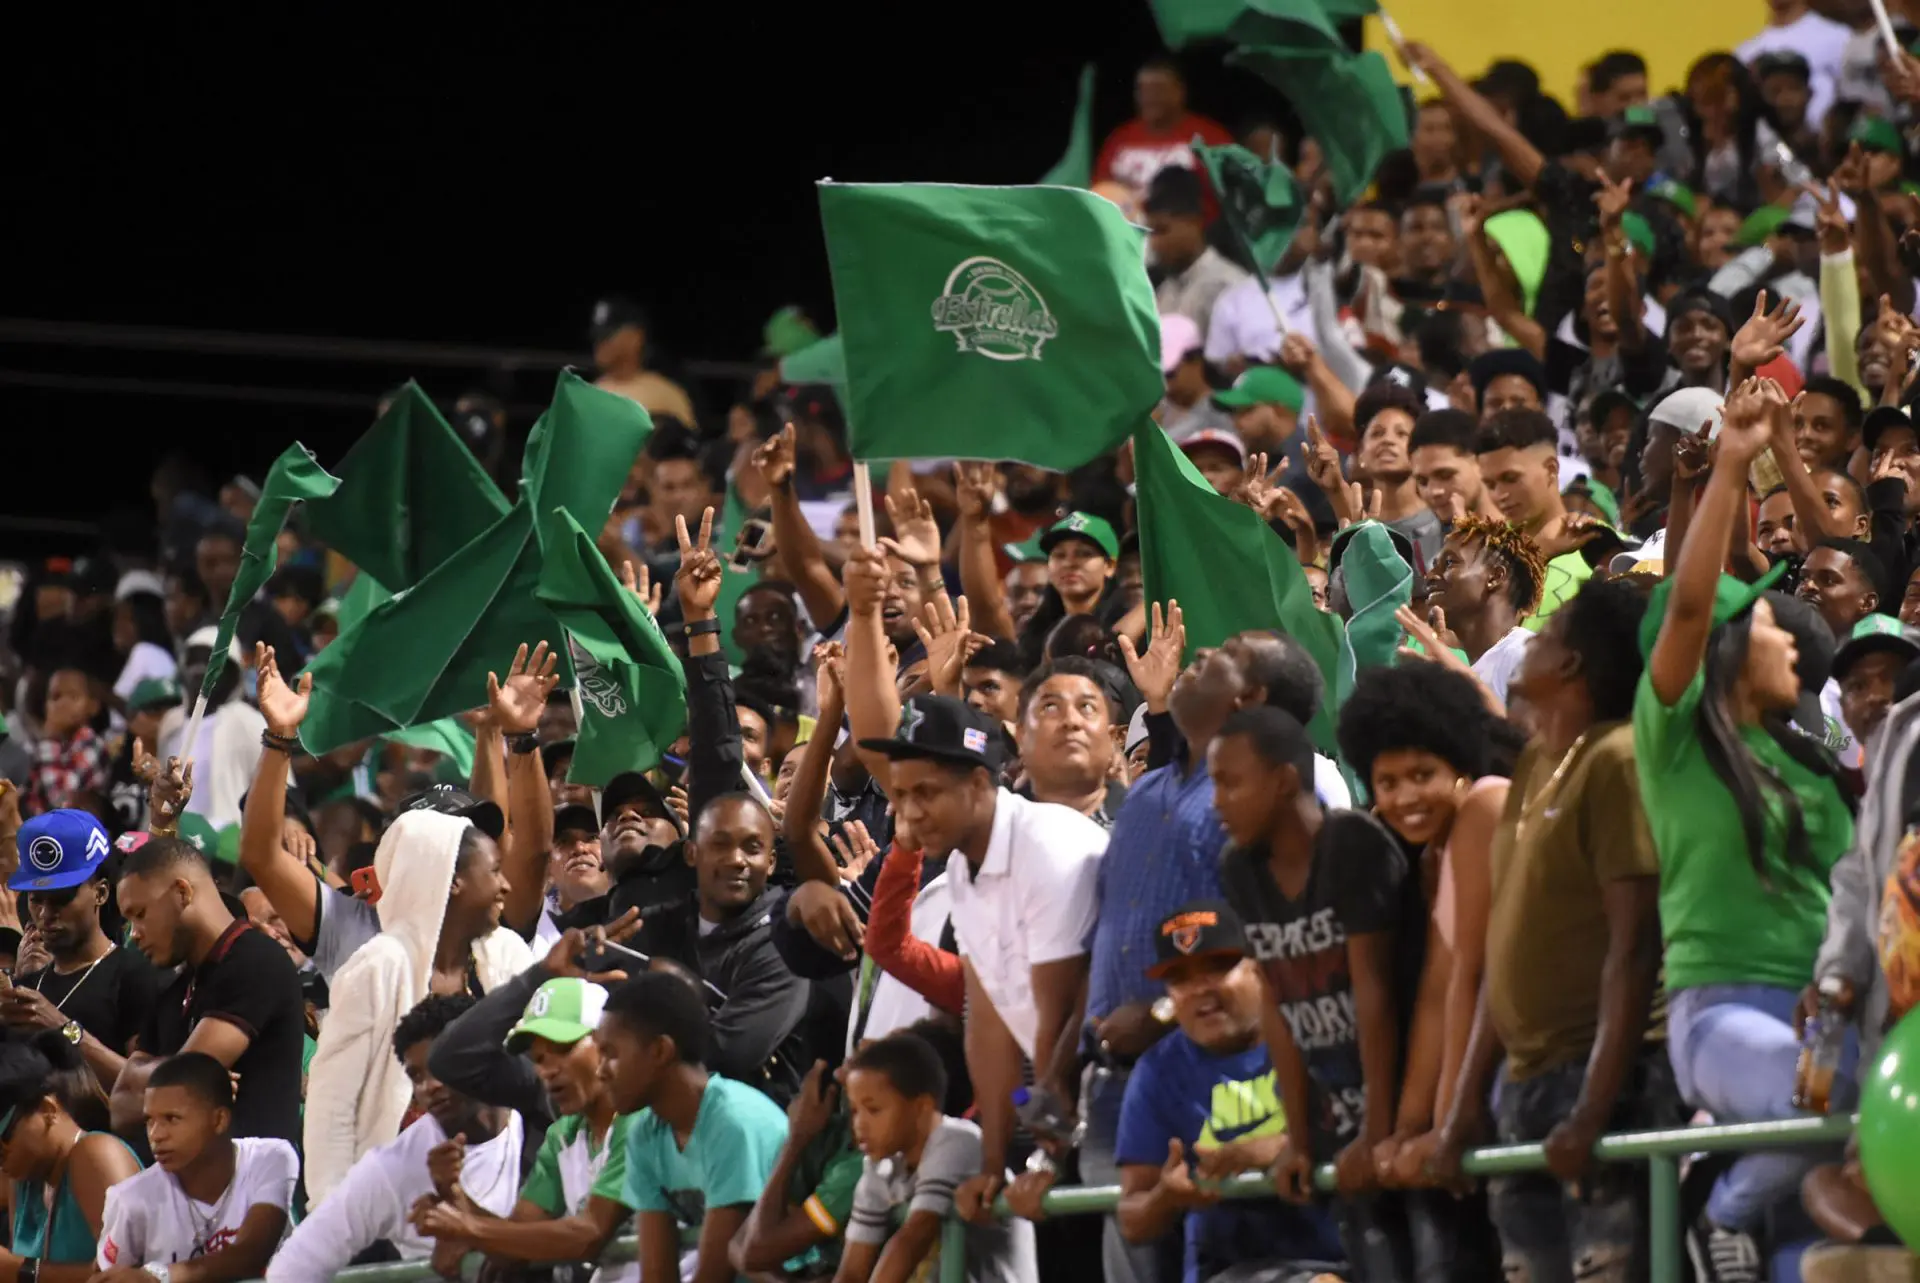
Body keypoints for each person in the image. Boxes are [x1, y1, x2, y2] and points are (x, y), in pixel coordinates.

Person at [1635, 378, 1854, 1283]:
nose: (1795, 646)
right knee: (1840, 1106)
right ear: (1730, 648)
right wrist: (1729, 462)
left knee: (1810, 1249)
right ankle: (1712, 1202)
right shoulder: (1676, 737)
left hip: (1824, 1015)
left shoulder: (1820, 767)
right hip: (1721, 1010)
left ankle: (1741, 1215)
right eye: (1773, 627)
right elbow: (1687, 605)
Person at [856, 695, 1105, 1222]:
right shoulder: (965, 872)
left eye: (926, 792)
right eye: (899, 796)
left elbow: (1059, 1018)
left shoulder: (1048, 844)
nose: (910, 812)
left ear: (976, 784)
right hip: (1056, 1101)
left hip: (1110, 1091)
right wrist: (994, 1165)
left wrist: (1044, 1157)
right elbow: (988, 1025)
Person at [1210, 705, 1414, 1281]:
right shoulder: (1239, 868)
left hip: (1404, 1121)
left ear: (1283, 781)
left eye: (1229, 782)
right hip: (1337, 1130)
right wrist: (1300, 1139)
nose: (1216, 801)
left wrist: (1377, 1132)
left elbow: (1375, 993)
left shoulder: (1351, 843)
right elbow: (1277, 1000)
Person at [303, 807, 533, 1204]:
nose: (506, 886)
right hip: (397, 1200)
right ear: (453, 879)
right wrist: (334, 1208)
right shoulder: (376, 967)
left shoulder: (507, 953)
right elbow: (333, 1106)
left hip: (504, 1183)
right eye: (494, 870)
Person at [1112, 902, 1345, 1283]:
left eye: (1219, 967)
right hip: (1230, 1270)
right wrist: (1167, 1197)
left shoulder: (1316, 1030)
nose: (1202, 988)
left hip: (1348, 1251)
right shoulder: (1157, 1071)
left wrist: (1282, 1148)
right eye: (1180, 978)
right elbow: (1132, 1218)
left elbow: (1374, 1137)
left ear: (1260, 967)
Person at [419, 948, 640, 1283]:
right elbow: (518, 1240)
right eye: (538, 1059)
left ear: (606, 1043)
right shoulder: (563, 1135)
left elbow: (589, 1235)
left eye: (564, 1049)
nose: (548, 1071)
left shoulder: (640, 1120)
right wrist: (455, 1198)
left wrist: (467, 1227)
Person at [267, 996, 525, 1283]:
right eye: (416, 1075)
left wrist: (466, 1223)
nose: (430, 1086)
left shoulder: (544, 1122)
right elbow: (292, 1266)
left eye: (442, 1063)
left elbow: (567, 1239)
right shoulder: (395, 1165)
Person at [596, 971, 791, 1283]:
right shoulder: (645, 1134)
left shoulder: (733, 1123)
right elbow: (657, 1275)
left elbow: (715, 1277)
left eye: (611, 1054)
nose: (600, 1071)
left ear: (660, 1051)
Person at [115, 837, 306, 1149]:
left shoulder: (255, 960)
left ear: (182, 892)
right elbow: (120, 1108)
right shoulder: (173, 987)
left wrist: (155, 1077)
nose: (134, 934)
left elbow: (175, 1089)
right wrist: (174, 1072)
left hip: (250, 1188)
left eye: (140, 914)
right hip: (187, 1191)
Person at [836, 1032, 1037, 1283]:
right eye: (855, 1111)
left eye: (873, 1110)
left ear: (921, 1107)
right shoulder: (881, 1166)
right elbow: (852, 1272)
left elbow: (914, 1237)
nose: (859, 1125)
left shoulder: (958, 1142)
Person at [94, 1053, 296, 1283]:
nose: (155, 1135)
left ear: (219, 1120)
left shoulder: (270, 1158)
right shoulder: (130, 1199)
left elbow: (252, 1255)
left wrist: (156, 1277)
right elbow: (107, 1277)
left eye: (172, 1119)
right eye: (149, 1121)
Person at [3, 810, 158, 1093]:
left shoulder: (134, 975)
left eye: (61, 899)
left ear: (100, 893)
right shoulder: (26, 987)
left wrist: (64, 1029)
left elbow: (151, 1089)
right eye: (36, 900)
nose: (46, 914)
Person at [0, 1031, 141, 1283]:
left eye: (3, 1141)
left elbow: (132, 1277)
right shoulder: (23, 1177)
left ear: (47, 1110)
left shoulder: (96, 1154)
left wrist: (20, 1270)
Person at [1422, 516, 1546, 709]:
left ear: (1495, 577)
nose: (1430, 576)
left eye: (1449, 563)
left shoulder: (1522, 654)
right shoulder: (1466, 667)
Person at [588, 296, 697, 426]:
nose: (599, 344)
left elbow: (690, 443)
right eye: (596, 336)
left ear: (636, 337)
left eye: (606, 336)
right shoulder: (589, 393)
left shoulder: (665, 395)